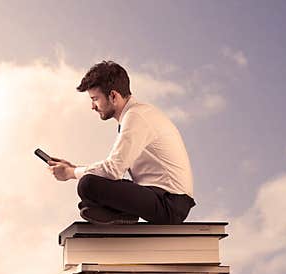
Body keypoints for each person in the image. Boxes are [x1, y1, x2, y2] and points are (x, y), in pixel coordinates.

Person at [47, 61, 196, 225]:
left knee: (87, 184)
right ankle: (122, 214)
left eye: (95, 99)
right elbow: (115, 169)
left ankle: (121, 213)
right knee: (90, 193)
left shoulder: (136, 117)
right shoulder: (136, 114)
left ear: (113, 96)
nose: (92, 106)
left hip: (170, 203)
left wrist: (70, 172)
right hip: (160, 196)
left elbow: (113, 171)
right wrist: (75, 168)